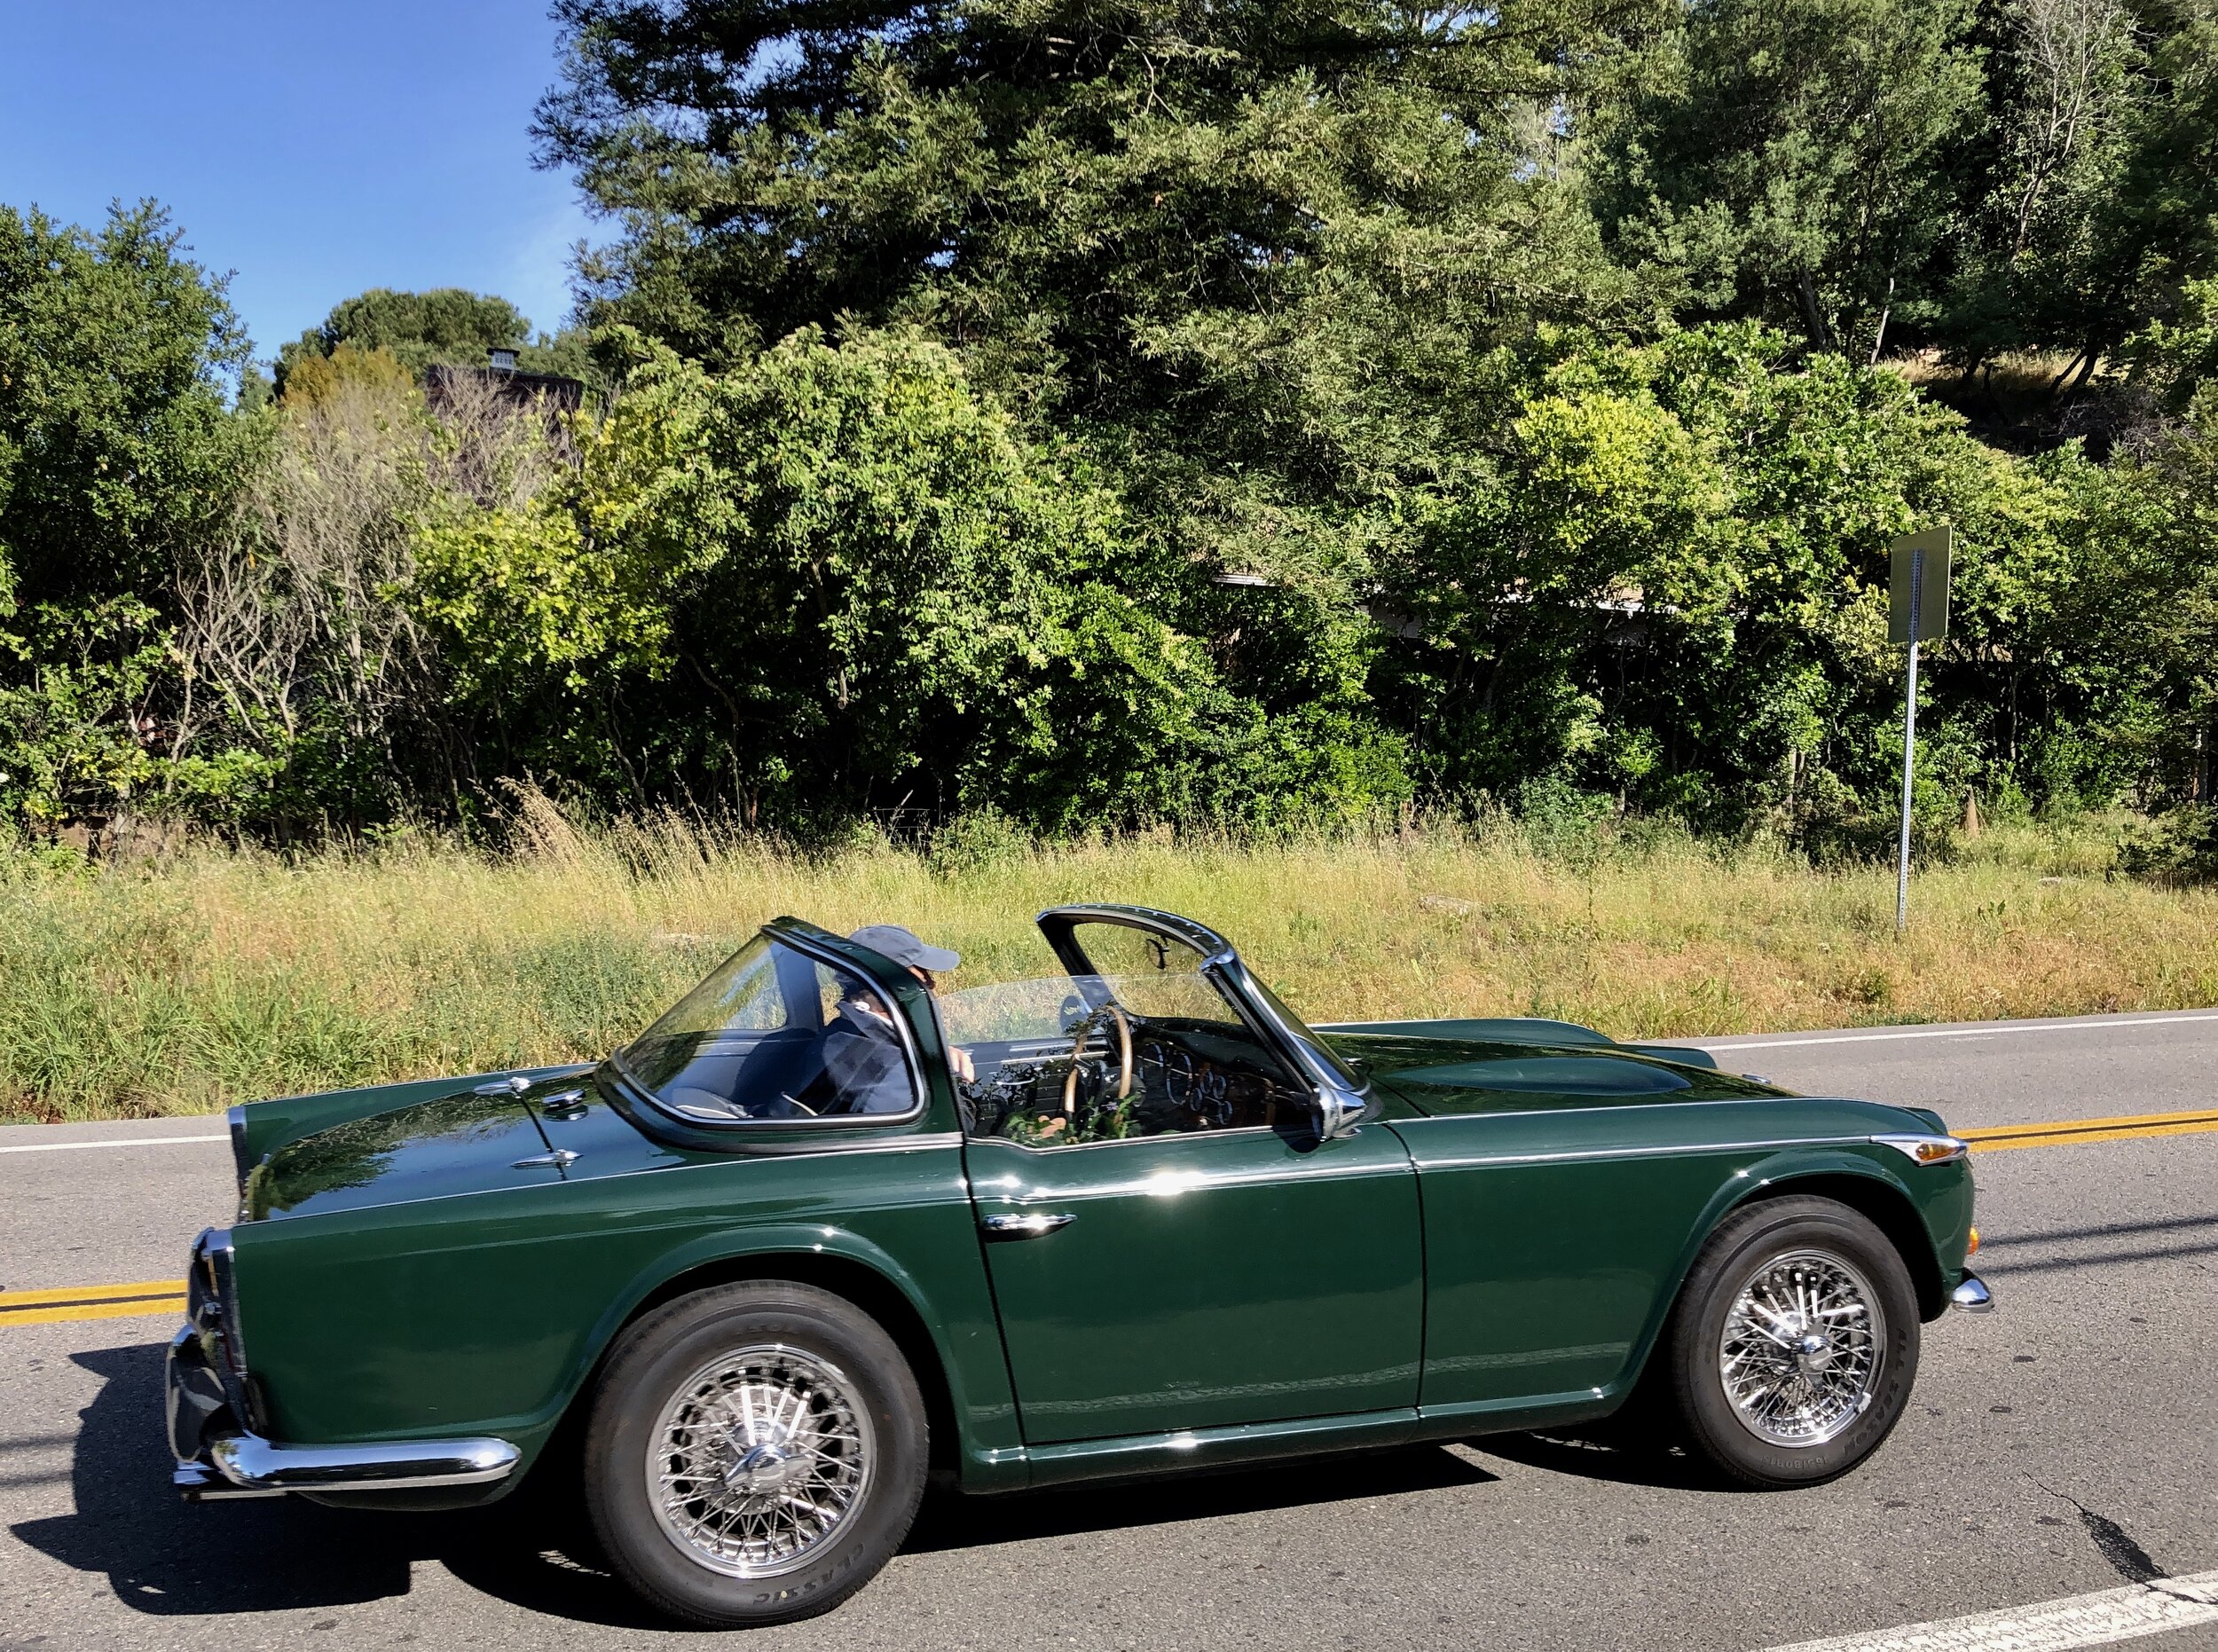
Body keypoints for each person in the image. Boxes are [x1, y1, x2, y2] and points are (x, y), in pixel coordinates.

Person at [820, 925, 975, 1113]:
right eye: (922, 976)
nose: (931, 983)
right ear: (892, 986)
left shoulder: (841, 1033)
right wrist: (942, 1072)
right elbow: (954, 1125)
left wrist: (932, 1052)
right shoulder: (899, 1072)